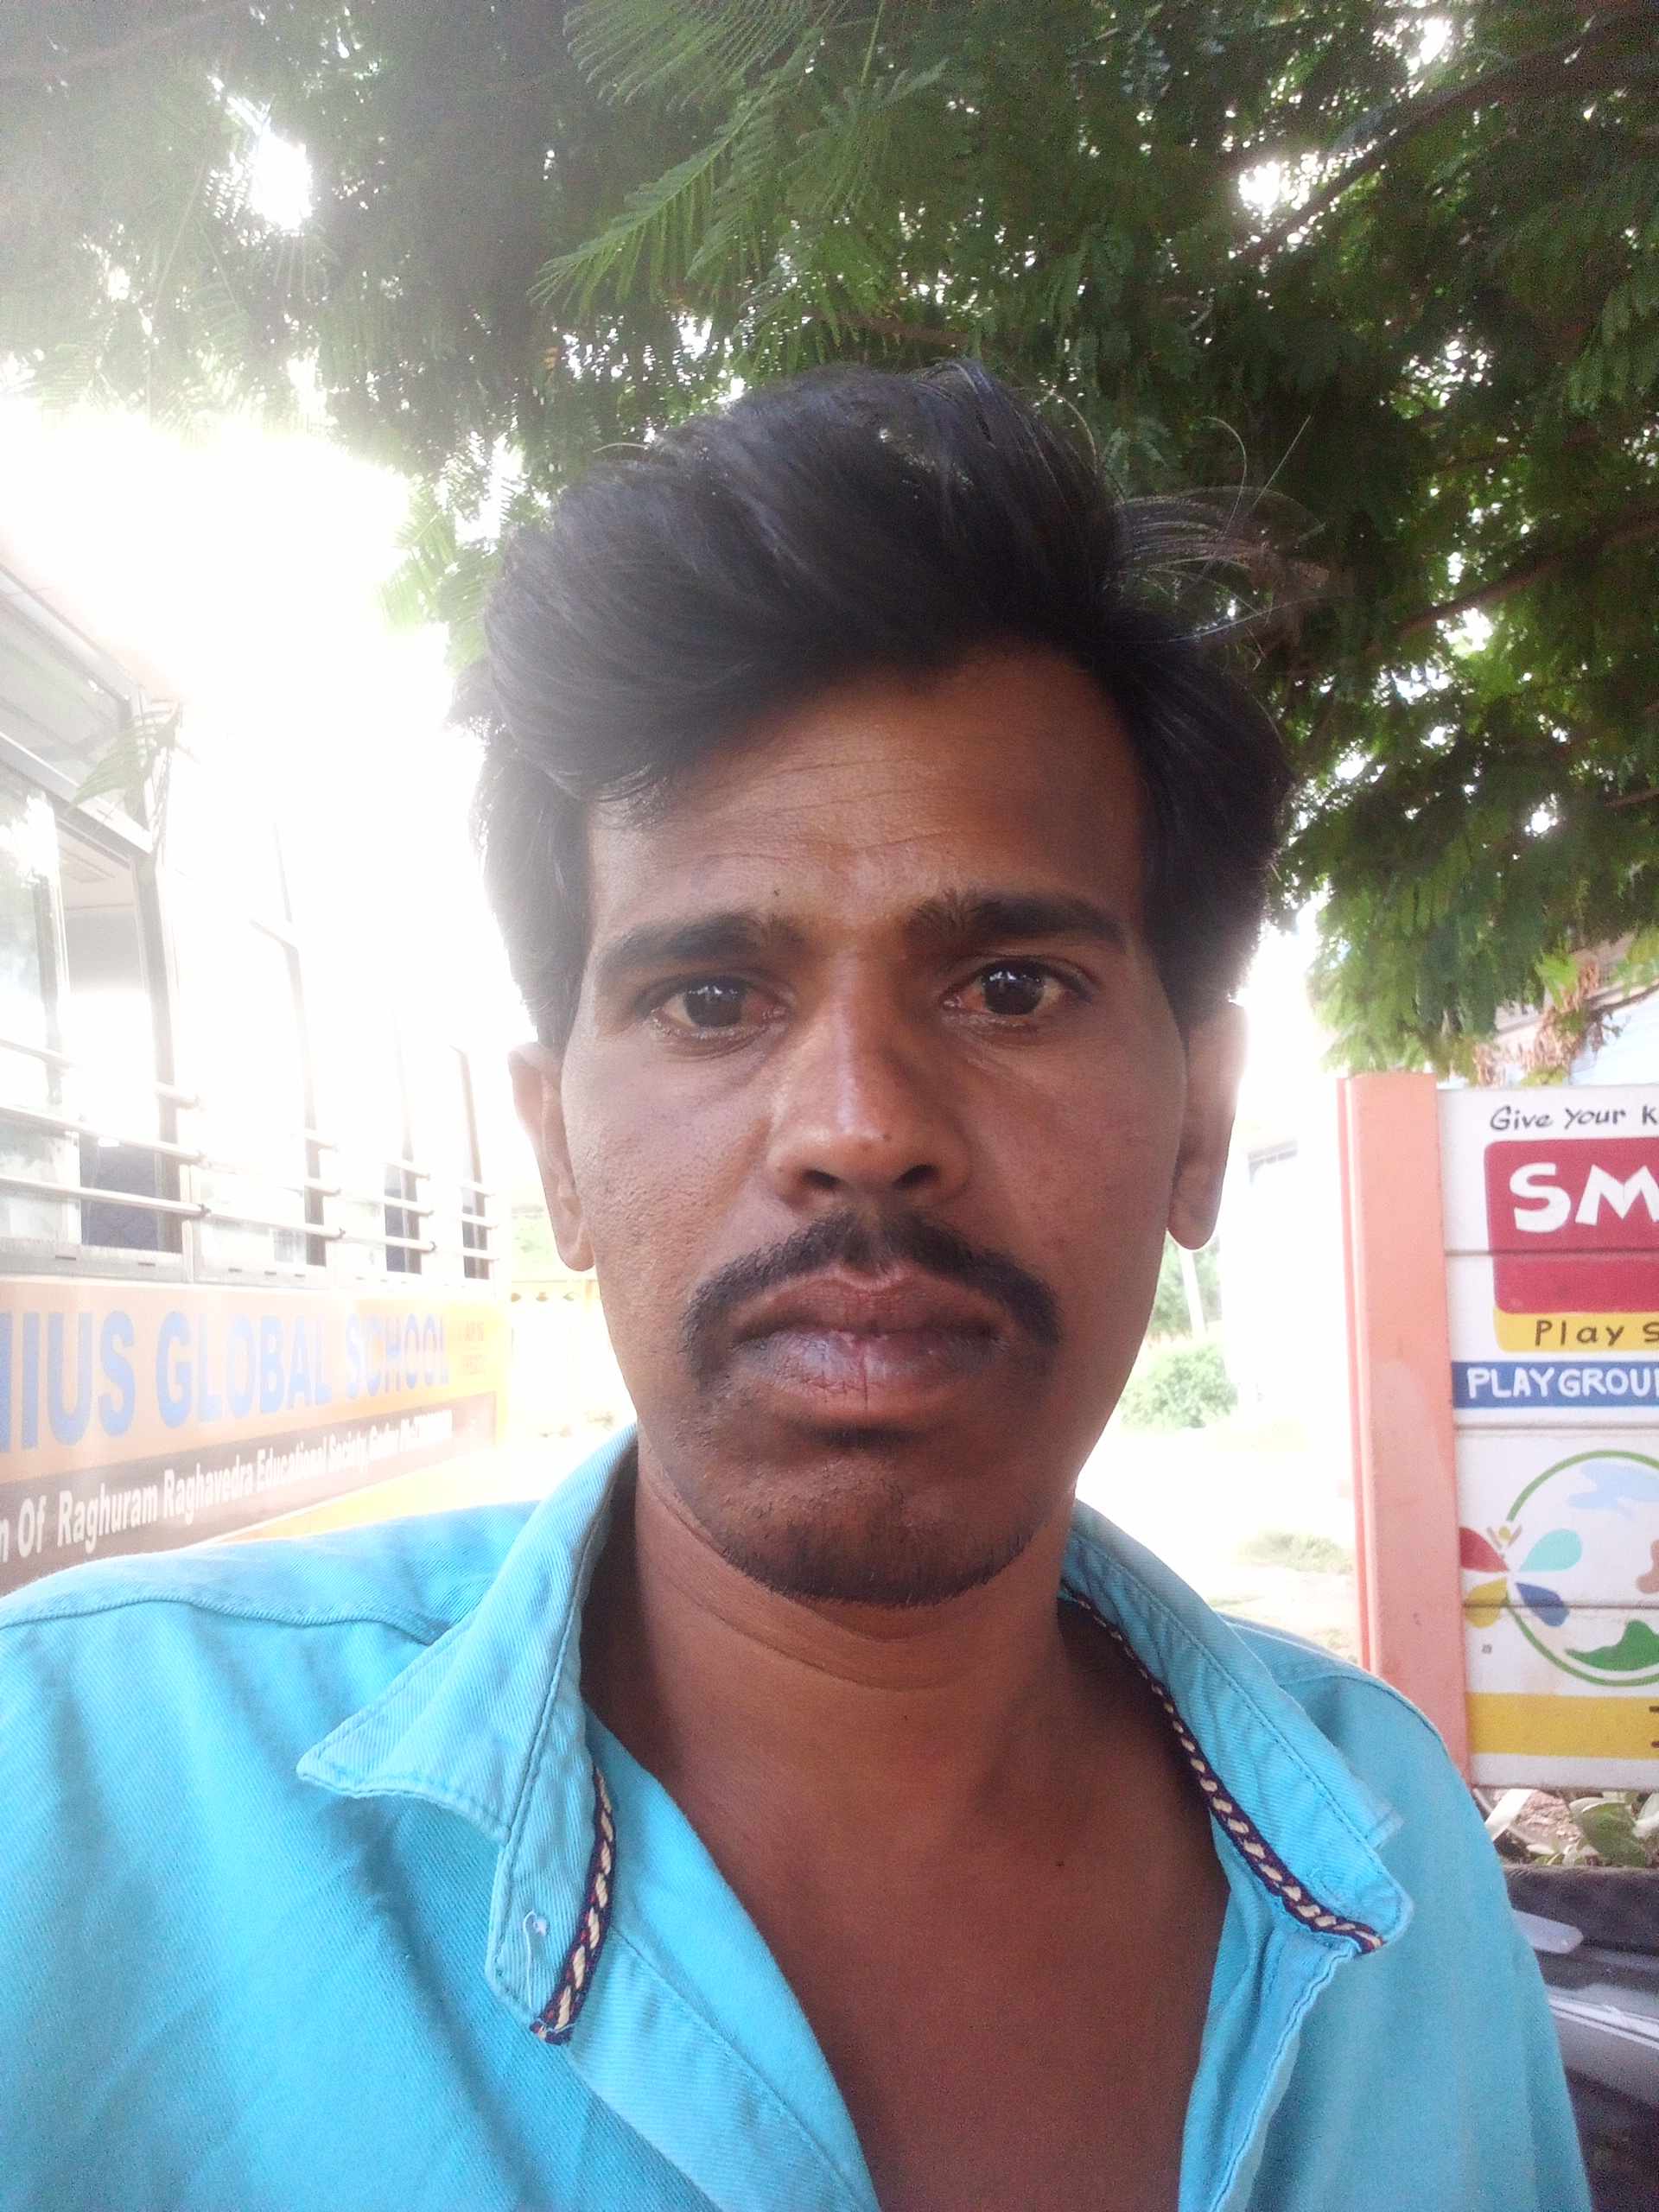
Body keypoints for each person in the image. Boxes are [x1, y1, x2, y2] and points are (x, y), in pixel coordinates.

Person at [1, 368, 1586, 2212]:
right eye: (710, 998)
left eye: (1010, 987)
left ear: (1202, 1122)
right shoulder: (70, 1795)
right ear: (559, 1152)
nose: (861, 1129)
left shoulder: (1397, 1858)